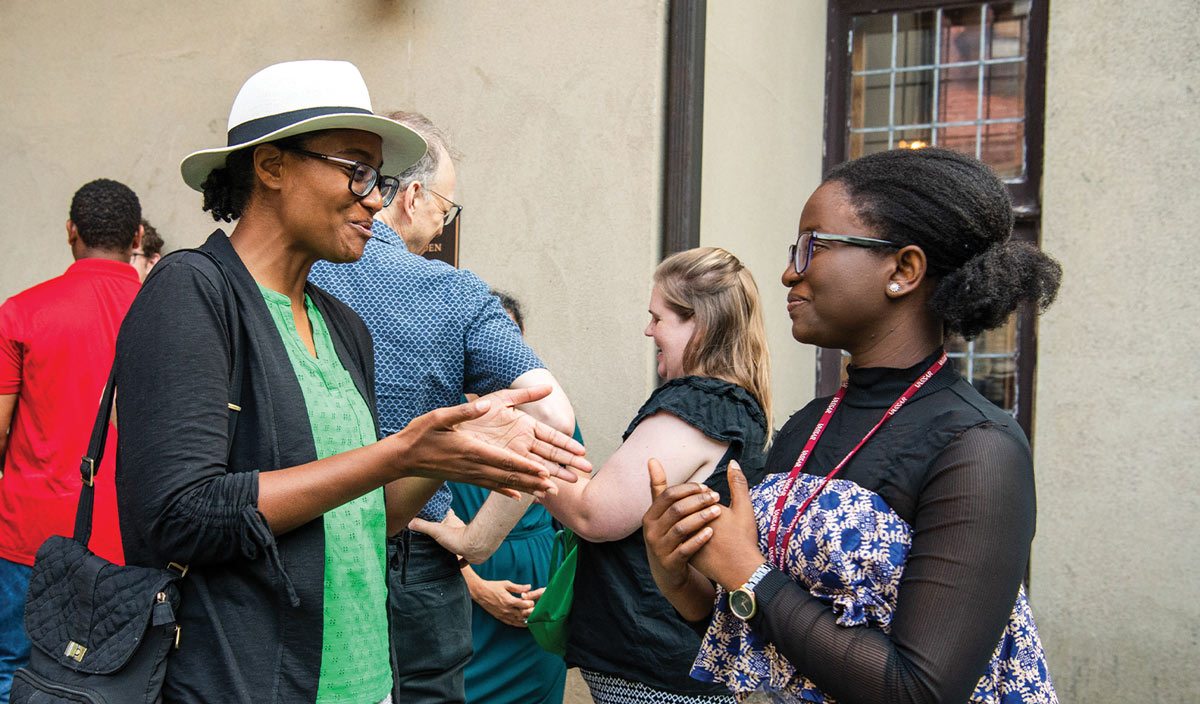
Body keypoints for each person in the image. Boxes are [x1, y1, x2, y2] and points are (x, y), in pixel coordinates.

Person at [112, 59, 589, 704]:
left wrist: (448, 455)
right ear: (272, 166)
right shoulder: (192, 292)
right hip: (247, 680)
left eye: (382, 178)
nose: (375, 197)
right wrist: (398, 452)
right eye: (356, 171)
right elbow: (181, 515)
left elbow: (367, 519)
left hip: (362, 680)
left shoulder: (338, 323)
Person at [643, 147, 1061, 703]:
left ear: (903, 270)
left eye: (813, 245)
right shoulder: (808, 426)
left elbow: (920, 691)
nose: (790, 270)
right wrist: (682, 579)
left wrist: (748, 573)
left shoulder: (978, 448)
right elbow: (767, 634)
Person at [309, 110, 575, 703]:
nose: (439, 229)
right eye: (444, 209)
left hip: (301, 544)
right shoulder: (452, 291)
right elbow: (552, 415)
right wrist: (478, 542)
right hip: (416, 561)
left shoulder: (295, 275)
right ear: (409, 196)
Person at [538, 247, 772, 703]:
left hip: (657, 663)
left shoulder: (698, 406)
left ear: (698, 324)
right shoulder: (735, 406)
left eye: (658, 317)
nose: (649, 330)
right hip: (682, 658)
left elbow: (594, 514)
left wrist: (520, 447)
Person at [0, 178, 143, 702]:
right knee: (118, 680)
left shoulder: (21, 311)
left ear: (71, 232)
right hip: (131, 541)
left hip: (28, 535)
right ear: (137, 237)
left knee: (12, 668)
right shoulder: (168, 312)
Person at [411, 290, 573, 704]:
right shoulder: (437, 422)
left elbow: (572, 515)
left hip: (536, 601)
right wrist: (478, 588)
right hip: (459, 591)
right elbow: (415, 518)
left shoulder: (550, 421)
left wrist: (556, 592)